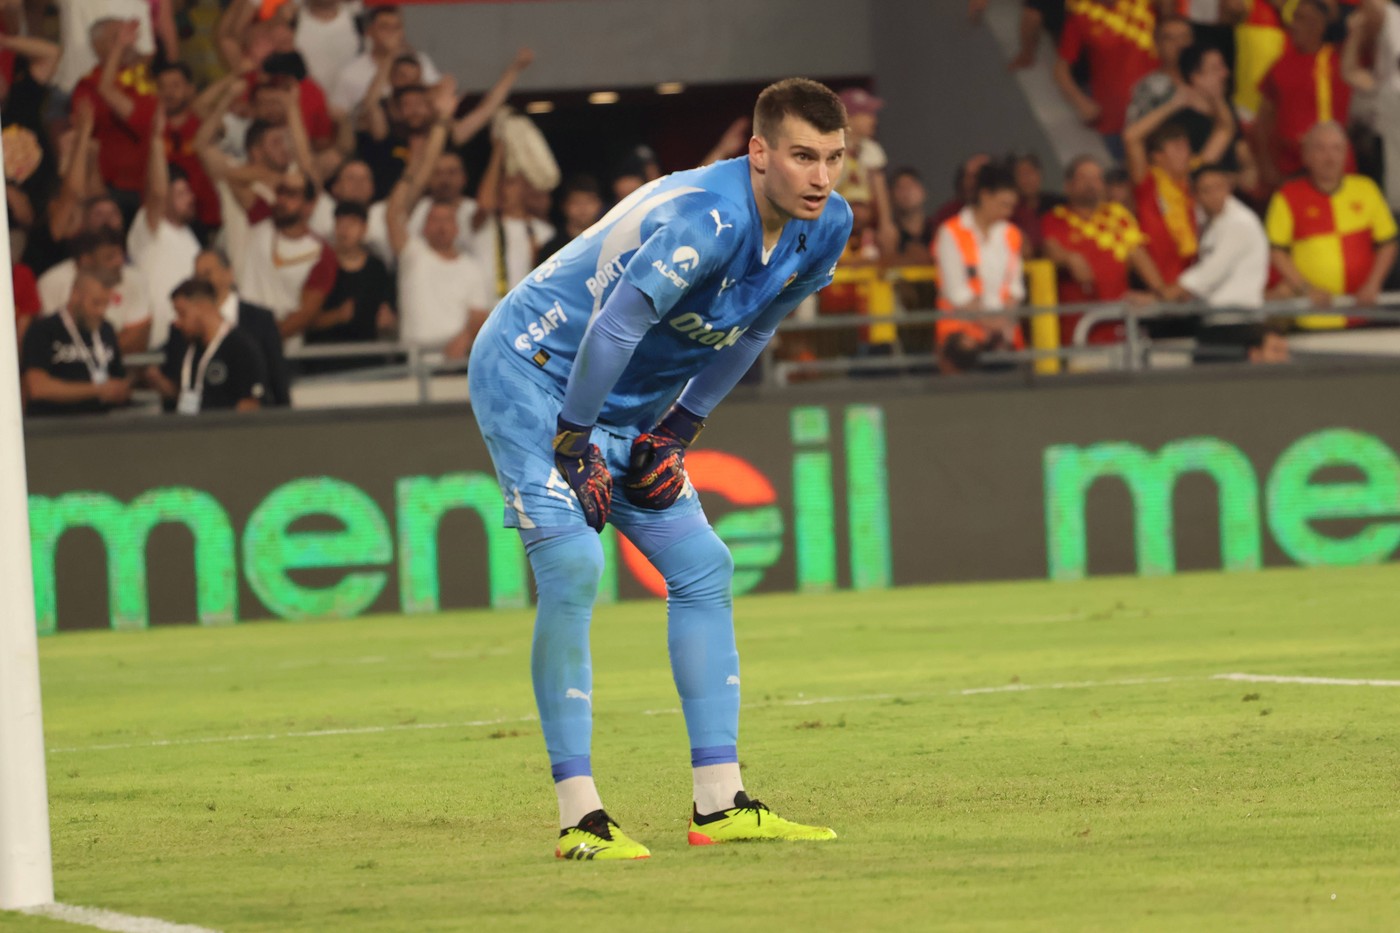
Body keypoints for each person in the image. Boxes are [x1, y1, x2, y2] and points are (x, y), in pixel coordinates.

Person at [466, 77, 851, 860]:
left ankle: (720, 801)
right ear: (758, 152)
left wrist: (675, 431)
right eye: (803, 156)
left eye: (834, 158)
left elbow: (752, 335)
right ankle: (581, 817)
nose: (821, 177)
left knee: (705, 566)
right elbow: (611, 328)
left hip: (631, 403)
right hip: (534, 375)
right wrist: (573, 444)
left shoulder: (826, 227)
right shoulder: (702, 220)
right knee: (574, 563)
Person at [1265, 121, 1398, 329]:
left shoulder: (1367, 189)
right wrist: (1306, 289)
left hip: (1364, 311)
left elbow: (1388, 243)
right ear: (1306, 156)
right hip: (1311, 315)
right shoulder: (1287, 196)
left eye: (1337, 148)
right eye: (1321, 148)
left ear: (1346, 154)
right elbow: (1277, 252)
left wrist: (1373, 285)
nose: (1330, 157)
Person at [387, 117, 493, 359]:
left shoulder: (471, 267)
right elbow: (393, 215)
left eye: (448, 220)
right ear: (424, 227)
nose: (441, 227)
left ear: (457, 228)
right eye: (434, 220)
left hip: (455, 364)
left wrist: (464, 338)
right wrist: (412, 168)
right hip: (414, 363)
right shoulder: (412, 253)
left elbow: (479, 316)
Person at [1042, 155, 1168, 343]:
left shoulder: (1119, 217)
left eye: (1097, 178)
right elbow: (1050, 250)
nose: (1091, 184)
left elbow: (1139, 257)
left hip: (1120, 330)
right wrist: (1069, 258)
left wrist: (1157, 296)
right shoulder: (1054, 219)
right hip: (1077, 333)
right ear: (1068, 185)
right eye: (1084, 177)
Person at [932, 163, 1025, 374]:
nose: (1008, 211)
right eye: (1003, 204)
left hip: (1003, 338)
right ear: (985, 195)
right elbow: (956, 293)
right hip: (960, 339)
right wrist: (992, 324)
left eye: (1012, 205)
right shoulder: (951, 232)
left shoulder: (1011, 234)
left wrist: (1003, 325)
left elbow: (1014, 288)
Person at [1256, 0, 1352, 188]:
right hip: (1290, 170)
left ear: (1319, 24)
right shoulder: (1280, 67)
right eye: (1294, 18)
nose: (1293, 25)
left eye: (1301, 19)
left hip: (1337, 170)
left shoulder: (1341, 61)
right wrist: (1266, 167)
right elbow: (1262, 122)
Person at [1054, 0, 1160, 157]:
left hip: (1159, 110)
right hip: (1116, 119)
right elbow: (1060, 70)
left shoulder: (1145, 4)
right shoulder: (1081, 16)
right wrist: (1081, 102)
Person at [20, 271, 131, 417]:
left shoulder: (106, 329)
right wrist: (97, 390)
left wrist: (121, 390)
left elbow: (117, 378)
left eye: (106, 304)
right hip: (54, 426)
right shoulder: (43, 330)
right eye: (96, 303)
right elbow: (37, 388)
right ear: (75, 295)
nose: (101, 311)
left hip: (101, 424)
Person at [148, 279, 268, 413]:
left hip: (222, 430)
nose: (177, 323)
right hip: (187, 430)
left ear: (202, 307)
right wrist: (160, 382)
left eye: (182, 313)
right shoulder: (185, 345)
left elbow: (251, 405)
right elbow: (185, 393)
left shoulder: (240, 348)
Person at [1164, 163, 1270, 313]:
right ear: (1195, 195)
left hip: (1239, 316)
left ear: (1228, 188)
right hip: (1215, 314)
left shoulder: (1239, 222)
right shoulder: (1208, 220)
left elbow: (1212, 270)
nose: (1215, 195)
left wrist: (1168, 293)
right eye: (1207, 190)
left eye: (1219, 187)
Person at [193, 248, 292, 406]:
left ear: (229, 274)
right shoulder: (192, 326)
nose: (202, 283)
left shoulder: (260, 320)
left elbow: (277, 375)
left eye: (207, 274)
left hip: (257, 421)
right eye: (197, 277)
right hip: (211, 420)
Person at [303, 201, 396, 366]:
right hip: (325, 361)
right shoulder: (320, 265)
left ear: (364, 229)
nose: (344, 230)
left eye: (352, 224)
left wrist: (389, 319)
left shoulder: (378, 268)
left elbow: (388, 315)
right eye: (340, 223)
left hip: (367, 361)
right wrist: (336, 316)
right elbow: (303, 320)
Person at [537, 175, 605, 262]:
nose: (583, 208)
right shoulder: (552, 249)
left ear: (599, 204)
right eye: (576, 202)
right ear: (564, 206)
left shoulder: (608, 242)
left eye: (589, 201)